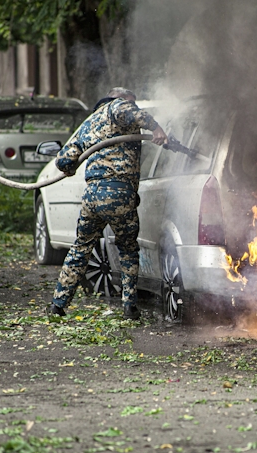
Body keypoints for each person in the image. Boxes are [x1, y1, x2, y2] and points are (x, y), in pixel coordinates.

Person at [48, 87, 167, 320]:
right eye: (132, 103)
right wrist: (157, 128)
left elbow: (63, 160)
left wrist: (73, 166)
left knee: (81, 247)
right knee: (128, 249)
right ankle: (129, 306)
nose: (134, 108)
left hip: (92, 196)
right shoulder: (117, 107)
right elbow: (133, 113)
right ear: (122, 99)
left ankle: (57, 305)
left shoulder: (90, 122)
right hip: (119, 192)